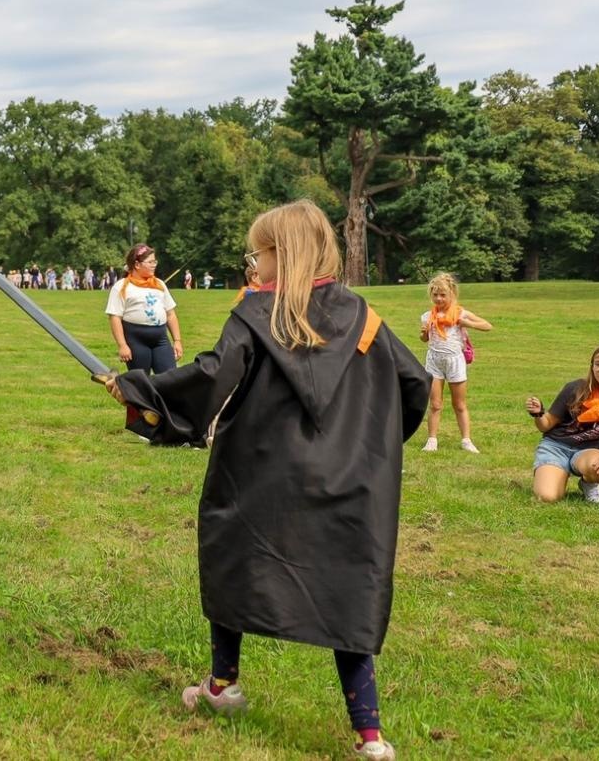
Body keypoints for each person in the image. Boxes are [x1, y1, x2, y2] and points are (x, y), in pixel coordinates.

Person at [106, 199, 429, 761]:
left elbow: (212, 375)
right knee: (348, 586)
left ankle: (223, 685)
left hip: (259, 473)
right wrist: (368, 448)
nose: (253, 265)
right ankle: (370, 737)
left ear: (283, 254)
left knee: (236, 557)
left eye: (257, 253)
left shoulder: (256, 314)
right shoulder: (364, 317)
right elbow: (414, 385)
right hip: (351, 480)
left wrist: (140, 391)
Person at [526, 343, 599, 504]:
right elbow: (545, 425)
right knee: (547, 497)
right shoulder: (575, 388)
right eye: (598, 364)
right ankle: (555, 474)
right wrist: (538, 413)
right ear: (592, 366)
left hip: (590, 451)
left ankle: (588, 483)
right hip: (556, 446)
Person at [107, 244, 182, 431]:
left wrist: (177, 341)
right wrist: (123, 345)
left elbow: (171, 314)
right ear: (137, 264)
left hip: (160, 339)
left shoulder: (159, 285)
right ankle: (139, 425)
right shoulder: (122, 287)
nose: (154, 264)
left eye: (154, 261)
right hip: (135, 339)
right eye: (150, 262)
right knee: (139, 383)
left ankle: (171, 422)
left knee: (170, 379)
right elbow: (115, 317)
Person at [418, 273, 494, 453]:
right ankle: (432, 440)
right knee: (435, 404)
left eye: (443, 295)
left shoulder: (460, 313)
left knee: (459, 404)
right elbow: (424, 339)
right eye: (435, 295)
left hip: (454, 362)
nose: (439, 298)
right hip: (434, 361)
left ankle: (466, 440)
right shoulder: (427, 316)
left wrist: (465, 323)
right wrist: (424, 333)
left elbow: (487, 325)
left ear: (452, 294)